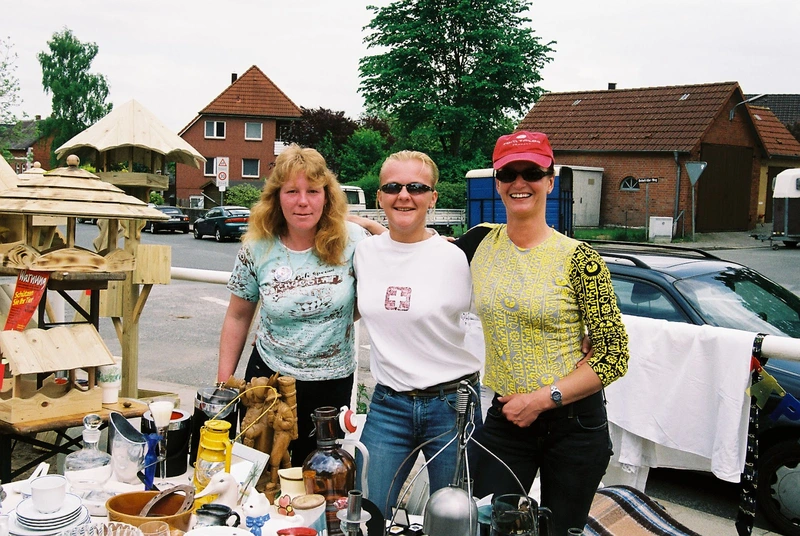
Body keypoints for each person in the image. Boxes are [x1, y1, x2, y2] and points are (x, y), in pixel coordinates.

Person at [457, 131, 630, 535]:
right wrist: (356, 224)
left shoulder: (581, 259)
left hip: (573, 424)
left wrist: (541, 399)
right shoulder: (479, 242)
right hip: (506, 421)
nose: (520, 183)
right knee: (491, 526)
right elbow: (417, 249)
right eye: (508, 173)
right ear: (497, 182)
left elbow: (614, 353)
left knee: (559, 530)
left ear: (550, 181)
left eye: (531, 172)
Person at [217, 144, 369, 466]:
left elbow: (372, 296)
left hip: (331, 385)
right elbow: (238, 316)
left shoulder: (354, 241)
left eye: (313, 191)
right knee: (262, 477)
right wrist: (223, 388)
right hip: (267, 382)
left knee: (320, 478)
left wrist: (335, 319)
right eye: (291, 191)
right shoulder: (257, 247)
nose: (303, 201)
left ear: (326, 195)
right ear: (276, 196)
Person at [353, 150, 484, 517]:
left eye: (416, 187)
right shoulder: (364, 253)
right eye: (393, 187)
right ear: (379, 196)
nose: (404, 195)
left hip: (452, 405)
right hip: (388, 406)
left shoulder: (458, 258)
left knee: (453, 518)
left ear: (433, 197)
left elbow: (510, 304)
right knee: (366, 512)